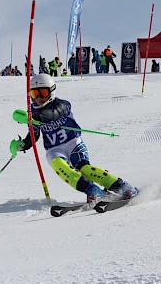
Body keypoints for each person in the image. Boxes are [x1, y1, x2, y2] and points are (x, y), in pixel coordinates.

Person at [10, 73, 139, 203]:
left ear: (52, 91)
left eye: (42, 93)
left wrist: (35, 118)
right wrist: (23, 145)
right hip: (54, 149)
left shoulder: (62, 105)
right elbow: (34, 134)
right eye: (34, 94)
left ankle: (122, 187)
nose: (38, 98)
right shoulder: (33, 112)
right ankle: (93, 191)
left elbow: (54, 114)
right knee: (61, 167)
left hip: (73, 144)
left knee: (85, 169)